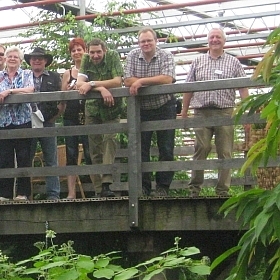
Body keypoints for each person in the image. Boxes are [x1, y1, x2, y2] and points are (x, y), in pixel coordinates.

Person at [182, 27, 250, 197]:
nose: (214, 40)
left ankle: (222, 191)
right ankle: (194, 189)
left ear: (224, 41)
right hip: (201, 112)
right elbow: (188, 88)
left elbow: (243, 87)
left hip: (225, 112)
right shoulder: (198, 61)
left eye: (218, 37)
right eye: (212, 37)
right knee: (201, 148)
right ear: (208, 41)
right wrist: (184, 111)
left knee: (225, 152)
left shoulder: (233, 62)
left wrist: (246, 110)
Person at [124, 27, 177, 197]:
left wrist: (140, 82)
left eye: (149, 40)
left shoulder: (166, 55)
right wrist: (150, 81)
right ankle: (143, 187)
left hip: (165, 105)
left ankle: (163, 187)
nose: (146, 44)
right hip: (142, 108)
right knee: (140, 149)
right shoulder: (133, 55)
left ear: (156, 41)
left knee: (166, 148)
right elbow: (126, 80)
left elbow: (167, 79)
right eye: (142, 41)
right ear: (139, 43)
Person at [77, 38, 124, 198]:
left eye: (98, 52)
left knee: (110, 140)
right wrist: (101, 88)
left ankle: (106, 182)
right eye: (92, 52)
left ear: (104, 50)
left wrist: (92, 84)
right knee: (94, 148)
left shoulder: (113, 56)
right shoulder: (85, 59)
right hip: (93, 109)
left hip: (112, 108)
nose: (95, 55)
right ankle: (99, 190)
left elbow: (118, 81)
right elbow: (79, 84)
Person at [0, 46, 35, 201]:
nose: (12, 59)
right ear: (6, 59)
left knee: (23, 157)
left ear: (20, 60)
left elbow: (30, 89)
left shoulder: (26, 73)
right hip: (2, 122)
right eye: (10, 56)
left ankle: (23, 193)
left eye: (16, 56)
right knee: (3, 158)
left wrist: (10, 91)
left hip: (22, 121)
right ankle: (4, 193)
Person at [25, 47, 62, 201]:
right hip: (28, 122)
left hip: (48, 121)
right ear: (30, 62)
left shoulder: (54, 77)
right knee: (26, 159)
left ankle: (53, 194)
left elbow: (60, 99)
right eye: (34, 58)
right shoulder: (24, 76)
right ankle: (25, 194)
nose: (37, 60)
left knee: (51, 159)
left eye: (40, 58)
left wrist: (55, 116)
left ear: (46, 61)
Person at [61, 37, 90, 199]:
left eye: (79, 49)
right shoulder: (67, 73)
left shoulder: (91, 71)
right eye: (74, 50)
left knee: (90, 152)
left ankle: (97, 188)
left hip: (87, 115)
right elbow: (62, 97)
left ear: (84, 51)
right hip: (71, 115)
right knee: (71, 153)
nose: (77, 52)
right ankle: (71, 192)